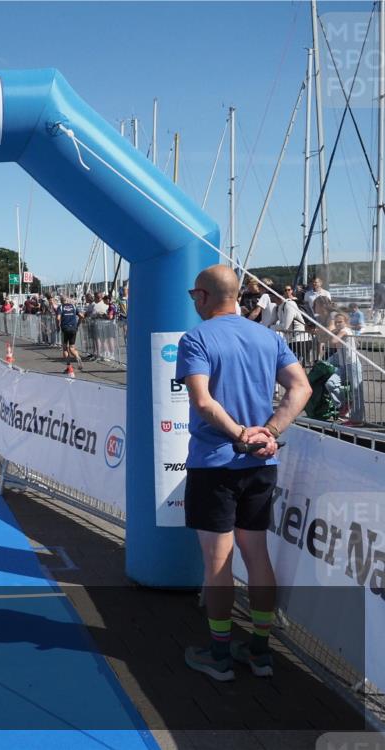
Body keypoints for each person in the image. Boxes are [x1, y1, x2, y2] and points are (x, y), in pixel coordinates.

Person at [178, 265, 311, 682]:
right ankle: (259, 651)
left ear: (202, 296)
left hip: (217, 463)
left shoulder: (196, 338)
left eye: (193, 295)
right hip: (260, 464)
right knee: (257, 555)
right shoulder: (268, 337)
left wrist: (241, 434)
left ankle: (219, 654)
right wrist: (268, 432)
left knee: (218, 562)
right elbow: (301, 387)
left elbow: (202, 402)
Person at [56, 295, 83, 371]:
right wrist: (78, 324)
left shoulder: (61, 307)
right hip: (73, 328)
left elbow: (58, 318)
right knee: (72, 348)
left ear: (61, 301)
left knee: (65, 348)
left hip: (65, 328)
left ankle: (69, 367)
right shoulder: (73, 307)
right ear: (67, 300)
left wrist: (58, 326)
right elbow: (81, 316)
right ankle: (78, 357)